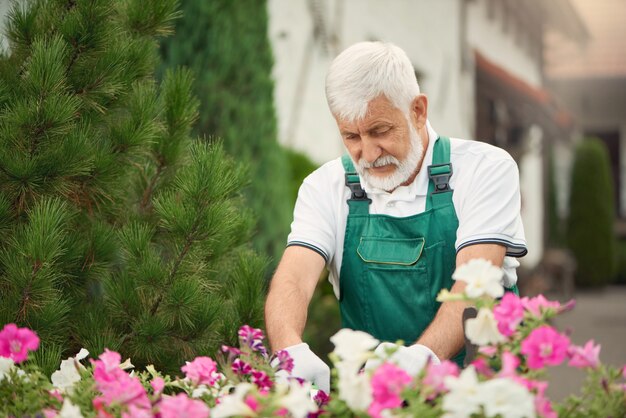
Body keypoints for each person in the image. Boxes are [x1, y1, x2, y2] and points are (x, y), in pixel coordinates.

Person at [264, 41, 527, 392]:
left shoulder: (485, 169)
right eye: (351, 136)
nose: (368, 153)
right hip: (376, 401)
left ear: (418, 110)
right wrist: (288, 349)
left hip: (480, 397)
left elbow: (474, 286)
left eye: (380, 131)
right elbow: (293, 279)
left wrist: (421, 358)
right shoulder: (326, 186)